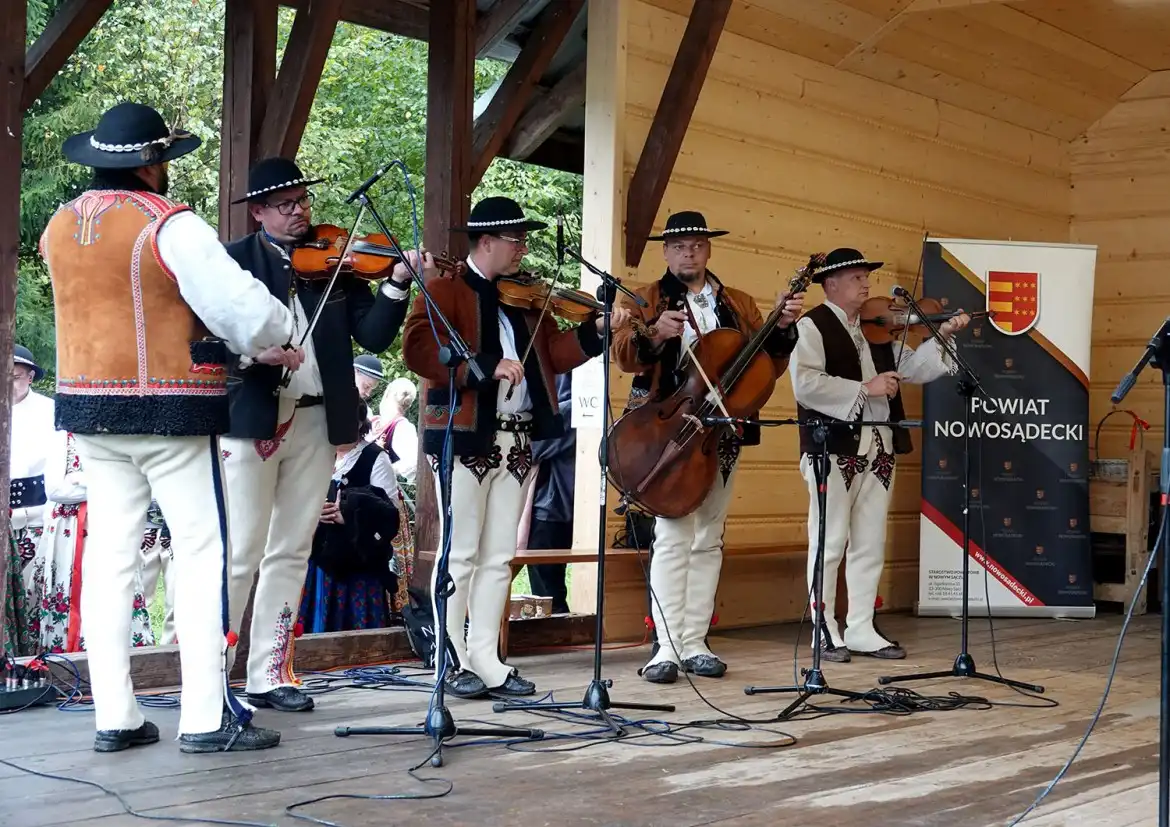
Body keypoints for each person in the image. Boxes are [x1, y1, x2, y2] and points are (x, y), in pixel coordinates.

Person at [43, 102, 297, 753]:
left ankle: (115, 715)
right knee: (201, 551)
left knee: (110, 560)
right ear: (152, 164)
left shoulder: (59, 226)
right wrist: (273, 334)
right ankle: (205, 715)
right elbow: (240, 306)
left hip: (90, 414)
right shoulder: (168, 224)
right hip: (170, 413)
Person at [220, 157, 430, 714]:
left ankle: (271, 672)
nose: (300, 212)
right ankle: (212, 677)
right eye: (286, 204)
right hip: (253, 419)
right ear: (259, 211)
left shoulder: (338, 265)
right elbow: (204, 340)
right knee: (241, 549)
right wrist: (251, 355)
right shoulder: (233, 263)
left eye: (304, 201)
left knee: (291, 548)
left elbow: (374, 334)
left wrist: (398, 282)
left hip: (318, 419)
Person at [402, 196, 630, 699]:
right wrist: (483, 366)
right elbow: (418, 348)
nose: (523, 249)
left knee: (499, 553)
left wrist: (593, 333)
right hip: (465, 436)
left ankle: (486, 656)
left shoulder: (524, 302)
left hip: (518, 438)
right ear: (487, 242)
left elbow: (553, 356)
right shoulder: (443, 289)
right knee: (460, 553)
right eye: (516, 240)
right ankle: (449, 653)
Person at [611, 210, 804, 685]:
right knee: (673, 535)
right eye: (679, 246)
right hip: (666, 427)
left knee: (710, 535)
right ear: (665, 253)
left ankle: (695, 640)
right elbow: (622, 355)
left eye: (696, 244)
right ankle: (666, 646)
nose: (689, 252)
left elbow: (766, 366)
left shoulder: (737, 302)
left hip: (720, 429)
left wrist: (780, 328)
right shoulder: (646, 298)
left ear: (708, 249)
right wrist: (654, 333)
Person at [790, 247, 968, 661]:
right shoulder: (811, 327)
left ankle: (861, 626)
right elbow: (805, 384)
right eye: (856, 277)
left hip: (880, 446)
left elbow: (916, 369)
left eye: (866, 277)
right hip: (832, 447)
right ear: (831, 284)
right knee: (830, 540)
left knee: (870, 541)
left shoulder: (877, 329)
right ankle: (823, 628)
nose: (866, 284)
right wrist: (863, 389)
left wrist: (943, 336)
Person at [28, 433, 159, 653]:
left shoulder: (121, 436)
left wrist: (83, 479)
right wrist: (111, 484)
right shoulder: (64, 438)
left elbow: (137, 483)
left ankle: (122, 658)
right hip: (70, 533)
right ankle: (67, 659)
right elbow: (56, 490)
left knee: (116, 589)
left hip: (113, 526)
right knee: (71, 592)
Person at [299, 400, 401, 633]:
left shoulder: (375, 458)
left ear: (358, 423)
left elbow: (389, 516)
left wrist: (349, 516)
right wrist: (312, 513)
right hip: (319, 564)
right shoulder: (315, 455)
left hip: (359, 567)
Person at [4, 345, 57, 656]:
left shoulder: (49, 411)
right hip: (4, 515)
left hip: (38, 512)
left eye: (17, 375)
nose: (10, 381)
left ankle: (36, 657)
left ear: (31, 376)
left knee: (35, 590)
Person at [524, 373, 574, 615]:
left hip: (552, 507)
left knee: (547, 598)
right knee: (548, 595)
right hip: (557, 505)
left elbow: (528, 448)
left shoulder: (571, 411)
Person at [370, 377, 419, 485]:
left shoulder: (402, 427)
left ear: (388, 393)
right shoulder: (374, 421)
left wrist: (382, 471)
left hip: (377, 494)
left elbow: (413, 462)